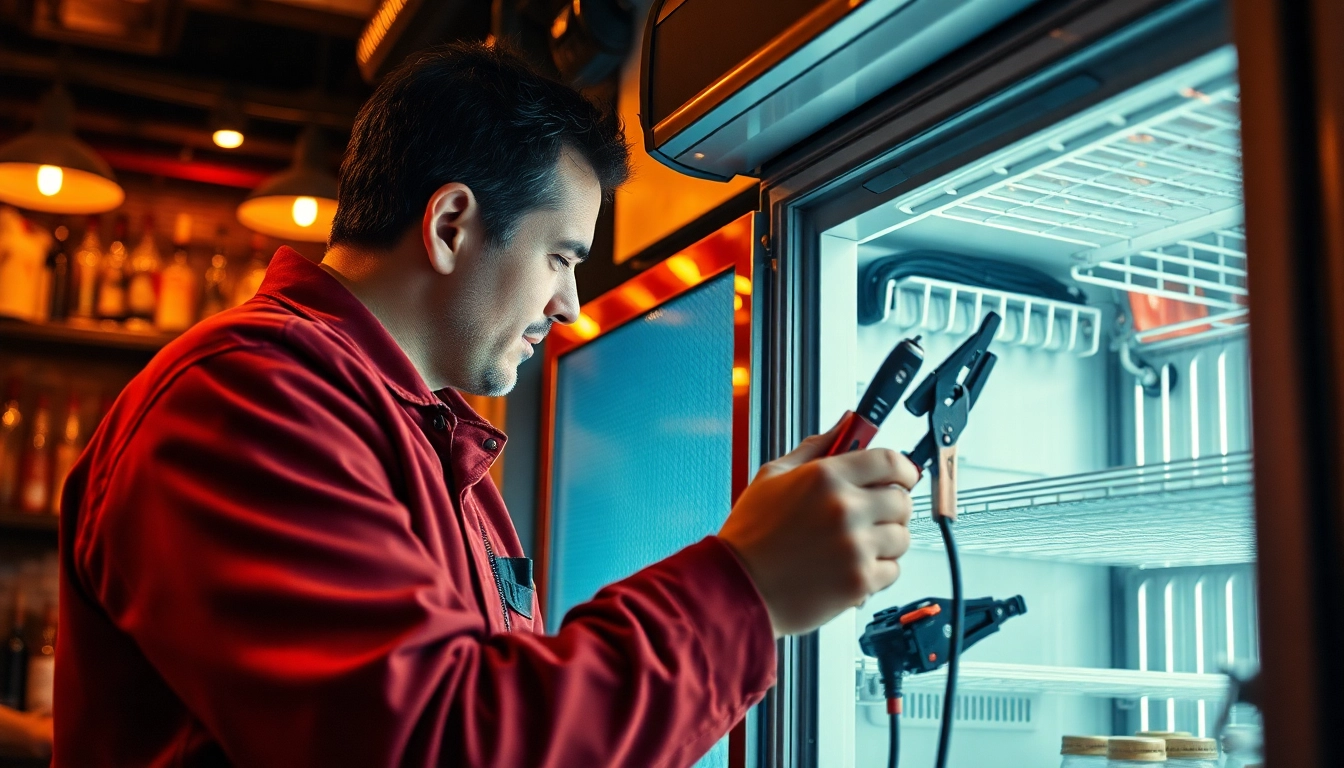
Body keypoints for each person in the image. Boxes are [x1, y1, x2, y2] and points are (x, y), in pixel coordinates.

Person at [53, 43, 918, 767]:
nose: (571, 303)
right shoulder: (243, 399)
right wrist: (746, 588)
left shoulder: (431, 444)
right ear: (451, 224)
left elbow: (492, 707)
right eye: (562, 257)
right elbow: (434, 743)